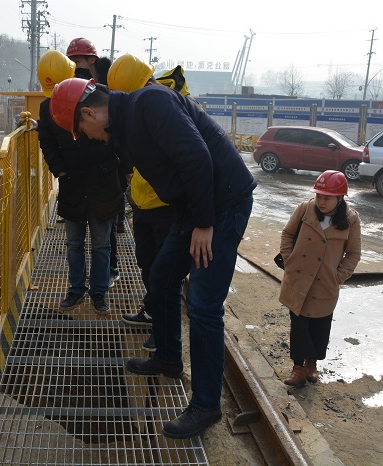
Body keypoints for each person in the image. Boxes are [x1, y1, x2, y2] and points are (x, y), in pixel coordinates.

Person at [48, 77, 256, 439]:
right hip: (193, 207)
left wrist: (203, 223)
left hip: (222, 204)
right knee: (161, 277)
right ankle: (169, 357)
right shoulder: (127, 123)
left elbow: (196, 156)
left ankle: (206, 405)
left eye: (82, 131)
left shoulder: (150, 103)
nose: (89, 138)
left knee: (204, 305)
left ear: (90, 114)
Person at [107, 54, 193, 353]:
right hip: (143, 201)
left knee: (165, 272)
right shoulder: (143, 108)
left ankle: (163, 331)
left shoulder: (172, 107)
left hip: (167, 205)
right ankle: (152, 310)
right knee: (146, 262)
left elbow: (190, 159)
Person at [36, 51, 123, 314]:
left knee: (101, 243)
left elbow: (120, 138)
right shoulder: (47, 108)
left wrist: (117, 171)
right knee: (74, 243)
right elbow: (47, 141)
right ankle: (76, 290)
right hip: (72, 182)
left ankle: (99, 293)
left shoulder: (101, 97)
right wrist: (59, 170)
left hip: (103, 183)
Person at [278, 170, 361, 387]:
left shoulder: (351, 219)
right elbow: (287, 234)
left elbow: (353, 254)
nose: (321, 202)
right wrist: (289, 262)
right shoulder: (305, 209)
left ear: (339, 198)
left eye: (327, 198)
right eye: (319, 196)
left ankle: (311, 364)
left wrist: (338, 277)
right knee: (299, 326)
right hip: (298, 279)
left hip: (325, 284)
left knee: (319, 326)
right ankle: (298, 369)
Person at [67, 37, 126, 288]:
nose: (75, 66)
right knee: (87, 235)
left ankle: (110, 270)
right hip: (84, 173)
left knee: (106, 226)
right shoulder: (73, 88)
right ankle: (90, 280)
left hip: (109, 168)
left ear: (92, 59)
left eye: (78, 60)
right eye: (71, 61)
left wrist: (121, 166)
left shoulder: (109, 86)